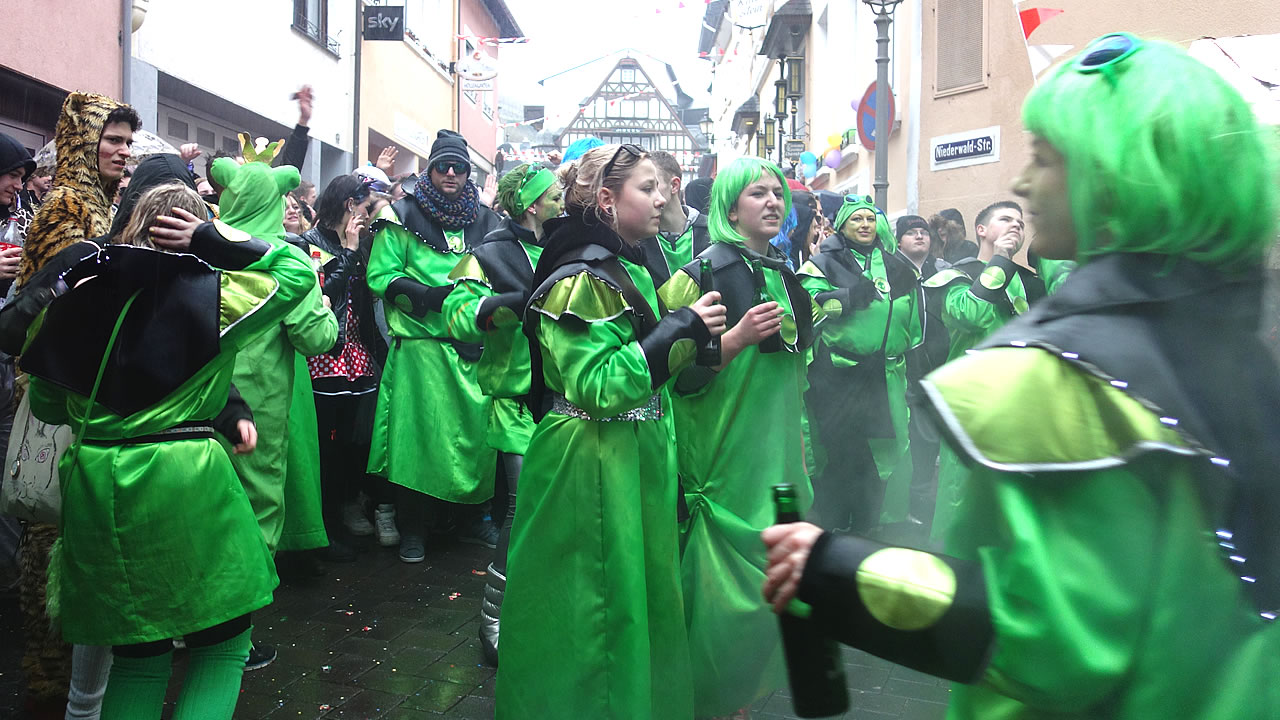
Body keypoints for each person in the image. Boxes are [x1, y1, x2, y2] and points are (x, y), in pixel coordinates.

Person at [763, 33, 1280, 720]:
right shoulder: (1234, 337)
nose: (1020, 183)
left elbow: (1049, 638)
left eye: (1043, 157)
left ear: (1115, 172)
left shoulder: (1074, 375)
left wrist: (833, 569)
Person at [8, 179, 313, 719]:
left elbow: (51, 407)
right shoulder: (217, 296)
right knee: (223, 647)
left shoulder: (74, 299)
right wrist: (216, 239)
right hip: (186, 481)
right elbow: (295, 272)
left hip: (98, 485)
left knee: (137, 655)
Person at [497, 144, 726, 719]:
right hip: (591, 460)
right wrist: (686, 325)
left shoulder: (624, 263)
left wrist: (686, 307)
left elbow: (653, 326)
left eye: (664, 186)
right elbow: (597, 384)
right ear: (605, 198)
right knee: (596, 611)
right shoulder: (581, 277)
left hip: (629, 457)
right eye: (647, 188)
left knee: (632, 600)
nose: (663, 196)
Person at [657, 157, 822, 717]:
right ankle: (706, 697)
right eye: (758, 194)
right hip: (723, 453)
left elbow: (795, 373)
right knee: (721, 591)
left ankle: (740, 694)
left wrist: (799, 442)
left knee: (773, 577)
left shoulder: (784, 269)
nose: (774, 202)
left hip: (774, 450)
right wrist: (736, 339)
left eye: (778, 193)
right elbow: (673, 375)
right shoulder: (699, 273)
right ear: (730, 207)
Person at [439, 162, 561, 665]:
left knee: (551, 506)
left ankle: (545, 609)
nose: (561, 201)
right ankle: (494, 617)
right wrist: (514, 306)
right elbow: (458, 316)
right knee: (521, 504)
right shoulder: (488, 252)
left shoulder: (564, 246)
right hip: (515, 400)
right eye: (554, 195)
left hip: (561, 400)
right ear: (531, 204)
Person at [366, 130, 502, 563]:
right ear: (429, 168)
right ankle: (414, 529)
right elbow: (381, 276)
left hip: (474, 349)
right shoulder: (399, 216)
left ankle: (473, 519)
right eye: (442, 165)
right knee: (418, 443)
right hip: (422, 351)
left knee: (477, 440)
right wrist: (427, 296)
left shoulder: (486, 220)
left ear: (468, 173)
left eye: (459, 167)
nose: (450, 174)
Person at [217, 148, 337, 622]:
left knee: (208, 500)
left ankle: (191, 617)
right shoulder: (286, 259)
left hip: (199, 396)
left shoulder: (201, 246)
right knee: (257, 502)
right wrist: (322, 303)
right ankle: (233, 627)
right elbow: (314, 337)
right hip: (258, 404)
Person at [921, 200, 1048, 542]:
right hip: (971, 401)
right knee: (960, 491)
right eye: (1005, 219)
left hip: (1021, 400)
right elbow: (971, 315)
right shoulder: (954, 276)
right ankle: (952, 567)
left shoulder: (1032, 283)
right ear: (982, 230)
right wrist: (1002, 260)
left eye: (1020, 222)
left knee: (1013, 493)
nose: (1016, 225)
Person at [798, 195, 923, 533]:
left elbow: (912, 321)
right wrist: (847, 299)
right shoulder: (823, 264)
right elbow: (804, 309)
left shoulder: (898, 267)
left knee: (888, 450)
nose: (865, 225)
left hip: (888, 375)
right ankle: (837, 524)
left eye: (870, 219)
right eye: (856, 219)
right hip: (840, 377)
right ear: (841, 226)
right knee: (843, 452)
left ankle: (877, 523)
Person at [298, 174, 396, 557]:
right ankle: (326, 522)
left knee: (359, 439)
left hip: (359, 354)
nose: (367, 214)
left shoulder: (366, 243)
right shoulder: (310, 243)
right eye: (364, 206)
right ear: (346, 204)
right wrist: (351, 251)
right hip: (326, 354)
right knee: (328, 444)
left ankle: (350, 505)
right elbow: (322, 294)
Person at [894, 214, 951, 531]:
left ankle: (919, 508)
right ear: (899, 240)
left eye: (924, 233)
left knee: (927, 445)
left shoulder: (940, 274)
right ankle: (900, 510)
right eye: (911, 233)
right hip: (901, 372)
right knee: (907, 444)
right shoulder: (890, 272)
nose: (919, 237)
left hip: (935, 373)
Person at [647, 150, 710, 278]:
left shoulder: (711, 232)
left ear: (674, 185)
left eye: (652, 185)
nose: (643, 194)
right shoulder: (638, 241)